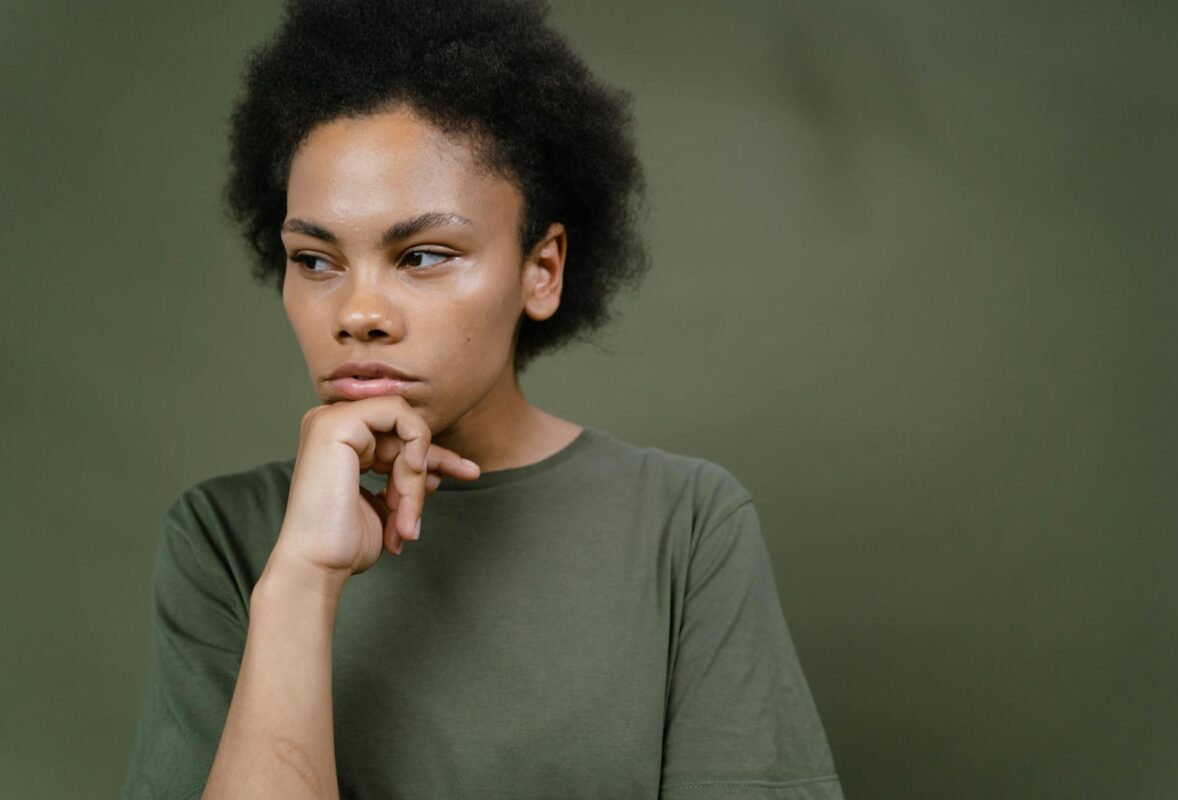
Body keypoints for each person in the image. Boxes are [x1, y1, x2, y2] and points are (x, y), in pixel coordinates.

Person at [120, 0, 844, 797]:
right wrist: (302, 580)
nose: (358, 314)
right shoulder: (224, 539)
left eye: (423, 254)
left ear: (542, 270)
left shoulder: (686, 525)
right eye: (316, 260)